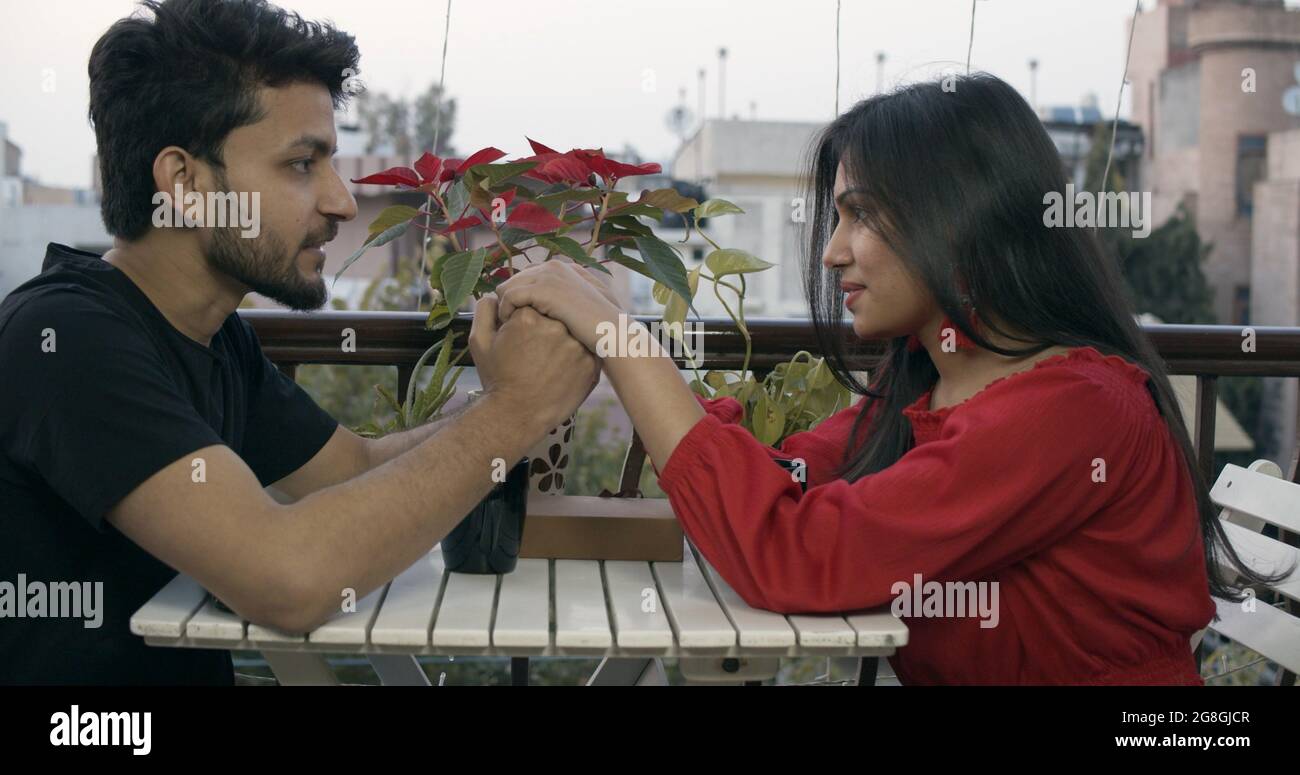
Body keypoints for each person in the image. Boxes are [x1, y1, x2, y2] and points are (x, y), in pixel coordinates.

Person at [491, 73, 1291, 685]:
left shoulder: (1071, 412)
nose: (833, 250)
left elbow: (797, 555)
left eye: (861, 214)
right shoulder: (932, 381)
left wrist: (621, 341)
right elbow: (785, 480)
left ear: (962, 216)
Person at [0, 0, 601, 685]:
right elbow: (288, 576)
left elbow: (355, 467)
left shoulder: (214, 337)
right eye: (301, 164)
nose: (342, 201)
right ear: (186, 183)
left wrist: (498, 395)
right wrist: (512, 413)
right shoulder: (67, 342)